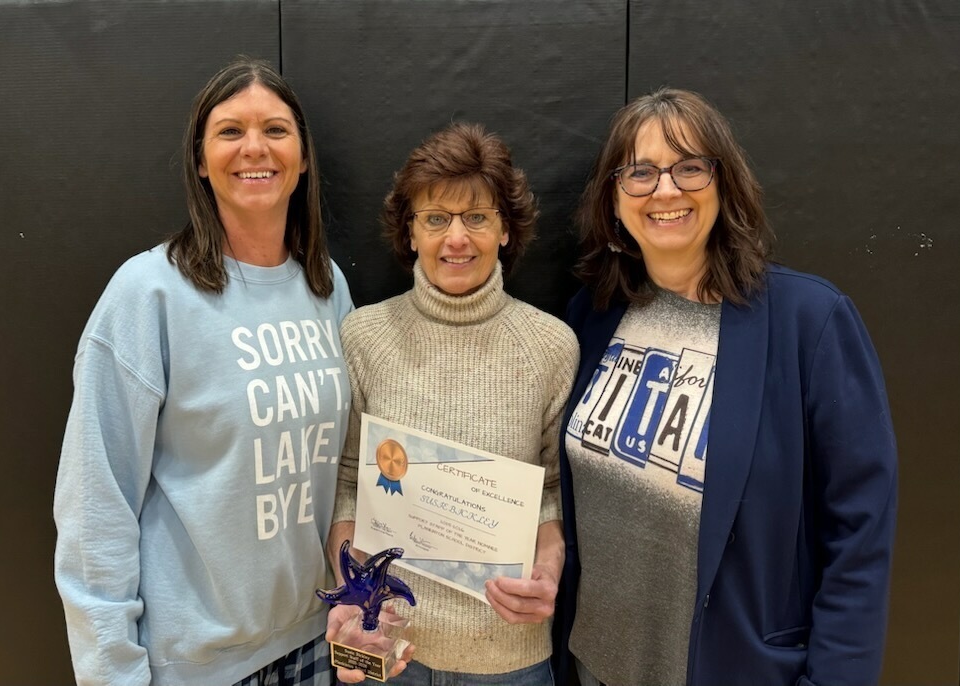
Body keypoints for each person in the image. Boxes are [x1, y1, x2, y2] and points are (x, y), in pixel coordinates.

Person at [53, 57, 387, 686]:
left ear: (304, 157)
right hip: (195, 666)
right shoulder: (148, 293)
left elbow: (345, 463)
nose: (254, 147)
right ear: (201, 161)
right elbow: (97, 503)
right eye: (230, 131)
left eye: (276, 130)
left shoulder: (327, 287)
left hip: (316, 642)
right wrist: (111, 673)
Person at [553, 89, 898, 686]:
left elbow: (860, 532)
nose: (666, 191)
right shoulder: (593, 315)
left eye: (689, 166)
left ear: (724, 182)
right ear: (613, 200)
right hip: (594, 668)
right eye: (640, 172)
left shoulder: (809, 323)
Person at [327, 122, 579, 685]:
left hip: (510, 657)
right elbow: (346, 483)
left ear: (506, 231)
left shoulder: (551, 346)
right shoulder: (363, 337)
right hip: (387, 651)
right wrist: (356, 590)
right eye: (436, 218)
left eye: (477, 217)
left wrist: (548, 570)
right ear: (411, 232)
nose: (456, 238)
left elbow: (555, 491)